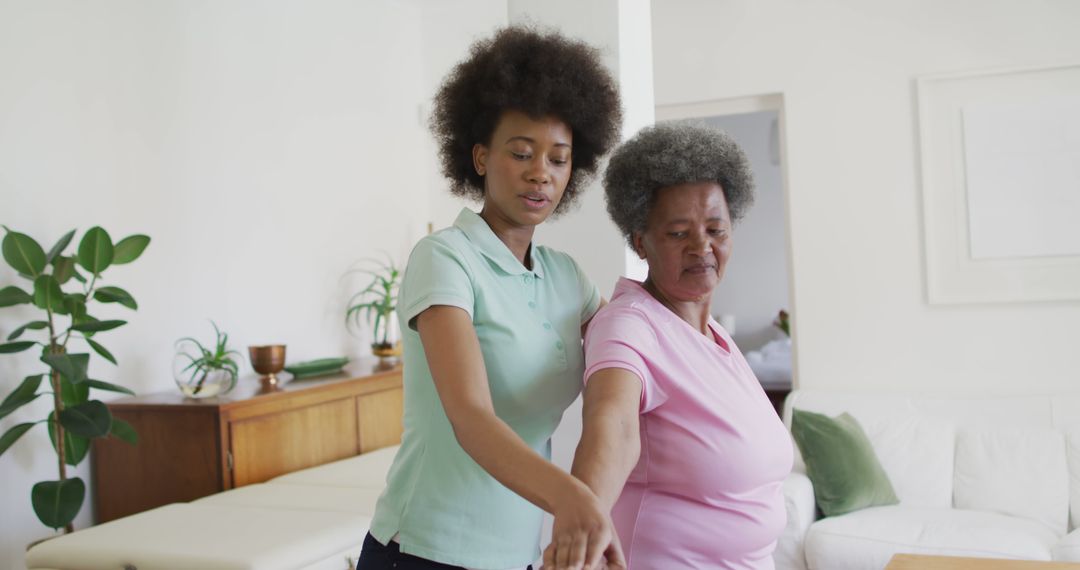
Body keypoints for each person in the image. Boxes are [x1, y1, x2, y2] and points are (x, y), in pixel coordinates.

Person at [357, 26, 624, 570]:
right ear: (479, 158)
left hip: (516, 553)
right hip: (425, 549)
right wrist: (574, 499)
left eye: (558, 159)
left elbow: (628, 352)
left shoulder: (566, 277)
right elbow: (471, 417)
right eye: (521, 153)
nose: (540, 174)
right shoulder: (446, 258)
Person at [549, 123, 794, 569]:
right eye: (678, 233)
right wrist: (583, 520)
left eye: (715, 228)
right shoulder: (629, 325)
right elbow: (613, 424)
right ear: (641, 242)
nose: (702, 246)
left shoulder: (714, 336)